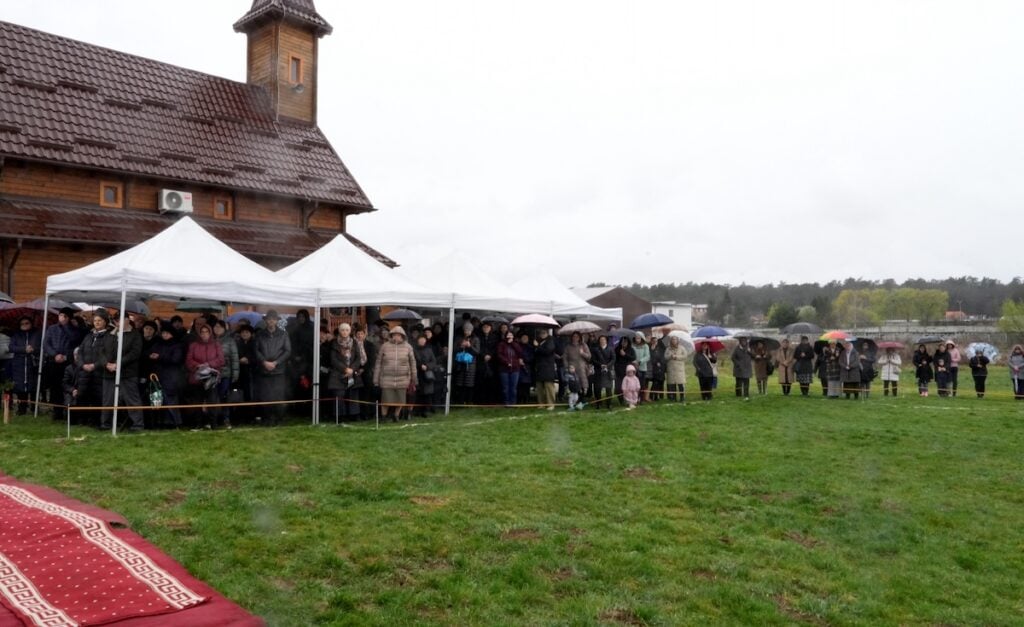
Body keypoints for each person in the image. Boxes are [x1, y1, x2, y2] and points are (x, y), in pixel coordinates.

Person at [98, 315, 143, 431]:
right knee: (108, 399)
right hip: (109, 372)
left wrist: (118, 363)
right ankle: (105, 423)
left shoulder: (135, 335)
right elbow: (101, 351)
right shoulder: (109, 334)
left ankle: (137, 424)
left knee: (131, 399)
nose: (117, 322)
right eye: (115, 320)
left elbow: (135, 353)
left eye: (119, 320)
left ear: (127, 320)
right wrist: (106, 364)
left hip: (127, 373)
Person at [43, 307, 82, 421]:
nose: (62, 318)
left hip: (68, 363)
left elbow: (75, 341)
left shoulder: (74, 329)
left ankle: (69, 411)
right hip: (54, 362)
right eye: (60, 315)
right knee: (55, 388)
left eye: (65, 316)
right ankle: (57, 412)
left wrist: (65, 357)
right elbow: (46, 344)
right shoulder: (52, 328)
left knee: (67, 386)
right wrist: (54, 355)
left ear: (69, 318)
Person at [254, 310, 291, 426]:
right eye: (269, 319)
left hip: (279, 370)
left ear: (276, 321)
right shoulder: (260, 334)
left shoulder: (283, 334)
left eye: (273, 319)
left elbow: (288, 351)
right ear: (265, 321)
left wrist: (276, 362)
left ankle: (279, 418)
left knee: (279, 395)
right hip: (264, 370)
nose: (271, 321)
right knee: (266, 395)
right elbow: (256, 350)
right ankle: (267, 418)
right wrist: (264, 362)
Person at [186, 322, 226, 429]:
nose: (204, 334)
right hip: (197, 378)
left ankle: (213, 424)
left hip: (211, 378)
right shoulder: (193, 345)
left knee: (212, 401)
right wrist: (198, 366)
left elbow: (221, 360)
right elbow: (189, 360)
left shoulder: (216, 344)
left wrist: (208, 364)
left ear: (210, 333)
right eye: (202, 332)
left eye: (206, 332)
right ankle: (198, 424)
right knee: (197, 401)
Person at [373, 326, 416, 421]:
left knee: (400, 400)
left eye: (399, 335)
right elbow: (378, 363)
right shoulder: (384, 346)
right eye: (394, 335)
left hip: (403, 378)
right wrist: (376, 380)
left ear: (403, 336)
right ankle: (383, 416)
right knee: (385, 400)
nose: (396, 337)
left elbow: (413, 363)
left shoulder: (408, 347)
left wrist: (414, 378)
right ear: (391, 335)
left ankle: (396, 415)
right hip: (386, 378)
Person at [327, 323, 367, 421]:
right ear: (339, 331)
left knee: (353, 394)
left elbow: (358, 358)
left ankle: (354, 415)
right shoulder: (334, 343)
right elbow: (333, 359)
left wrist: (351, 369)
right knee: (339, 394)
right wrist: (345, 369)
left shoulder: (354, 342)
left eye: (347, 330)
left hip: (352, 373)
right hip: (338, 373)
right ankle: (340, 416)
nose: (345, 332)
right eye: (342, 330)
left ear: (350, 331)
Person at [150, 322, 185, 429]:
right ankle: (160, 422)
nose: (164, 335)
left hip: (171, 377)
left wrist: (159, 357)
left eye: (167, 333)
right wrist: (151, 356)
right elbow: (148, 353)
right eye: (163, 333)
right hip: (158, 376)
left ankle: (176, 423)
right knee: (157, 400)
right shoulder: (158, 344)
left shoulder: (177, 345)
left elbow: (176, 359)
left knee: (171, 400)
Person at [8, 316, 41, 415]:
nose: (24, 325)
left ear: (31, 323)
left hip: (33, 363)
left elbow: (41, 347)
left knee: (34, 386)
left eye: (27, 323)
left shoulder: (37, 334)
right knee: (21, 387)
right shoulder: (16, 335)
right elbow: (11, 347)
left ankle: (34, 408)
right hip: (19, 364)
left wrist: (33, 349)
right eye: (22, 324)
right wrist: (23, 349)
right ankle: (22, 408)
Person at [213, 320, 239, 427]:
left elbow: (235, 358)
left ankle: (226, 418)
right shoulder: (210, 340)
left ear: (224, 328)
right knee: (212, 397)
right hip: (212, 374)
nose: (217, 328)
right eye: (216, 326)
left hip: (226, 373)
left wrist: (235, 374)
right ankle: (213, 419)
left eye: (220, 327)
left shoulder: (230, 341)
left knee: (224, 396)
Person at [452, 323, 480, 406]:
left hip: (471, 364)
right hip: (460, 363)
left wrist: (469, 346)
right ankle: (460, 401)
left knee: (469, 383)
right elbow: (454, 349)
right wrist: (461, 346)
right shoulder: (459, 338)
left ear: (471, 330)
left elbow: (477, 352)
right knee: (460, 383)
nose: (467, 332)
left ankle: (469, 401)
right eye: (465, 330)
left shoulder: (475, 339)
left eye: (468, 330)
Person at [235, 324, 257, 424]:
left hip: (252, 373)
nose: (244, 334)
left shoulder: (255, 343)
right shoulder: (237, 343)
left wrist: (248, 359)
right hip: (240, 373)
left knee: (251, 395)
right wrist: (239, 360)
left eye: (247, 332)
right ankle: (240, 417)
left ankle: (251, 417)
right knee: (240, 395)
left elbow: (257, 356)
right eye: (243, 332)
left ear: (251, 334)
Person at [495, 330, 523, 407]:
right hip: (504, 369)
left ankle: (513, 402)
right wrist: (507, 362)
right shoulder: (501, 344)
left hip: (515, 369)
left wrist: (512, 343)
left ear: (513, 336)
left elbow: (520, 352)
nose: (509, 336)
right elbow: (499, 355)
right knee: (505, 387)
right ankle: (506, 402)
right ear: (505, 336)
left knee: (513, 387)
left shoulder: (516, 344)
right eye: (508, 335)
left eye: (511, 335)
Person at [412, 333, 438, 417]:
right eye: (420, 339)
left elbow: (434, 362)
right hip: (417, 373)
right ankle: (417, 410)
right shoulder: (413, 350)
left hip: (427, 375)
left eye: (424, 339)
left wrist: (427, 366)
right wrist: (420, 366)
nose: (422, 341)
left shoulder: (429, 350)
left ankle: (426, 410)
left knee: (427, 393)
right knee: (417, 393)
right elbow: (412, 361)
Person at [562, 332, 591, 403]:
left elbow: (589, 357)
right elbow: (565, 358)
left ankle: (582, 399)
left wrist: (582, 353)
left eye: (577, 336)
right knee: (573, 383)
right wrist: (567, 367)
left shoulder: (584, 345)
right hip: (572, 367)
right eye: (574, 336)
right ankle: (573, 400)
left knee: (582, 383)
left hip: (581, 367)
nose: (575, 338)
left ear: (579, 337)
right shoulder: (568, 346)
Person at [533, 328, 558, 410]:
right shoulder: (538, 340)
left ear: (547, 333)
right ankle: (541, 403)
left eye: (544, 333)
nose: (542, 334)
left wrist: (538, 346)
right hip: (539, 367)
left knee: (549, 386)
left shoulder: (550, 341)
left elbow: (548, 351)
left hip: (548, 367)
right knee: (539, 386)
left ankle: (551, 404)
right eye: (541, 333)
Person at [590, 335, 614, 409]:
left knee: (608, 388)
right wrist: (600, 365)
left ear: (606, 340)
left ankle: (609, 403)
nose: (602, 341)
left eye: (604, 339)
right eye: (601, 339)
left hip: (608, 370)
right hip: (598, 370)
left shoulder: (610, 349)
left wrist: (607, 365)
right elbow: (593, 360)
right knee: (597, 388)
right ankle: (598, 403)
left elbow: (613, 359)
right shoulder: (596, 349)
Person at [663, 335, 687, 402]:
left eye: (675, 339)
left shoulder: (682, 348)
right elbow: (665, 357)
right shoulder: (668, 349)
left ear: (677, 340)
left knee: (680, 384)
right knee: (672, 385)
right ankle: (673, 398)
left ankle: (682, 397)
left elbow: (685, 356)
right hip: (671, 369)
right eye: (672, 339)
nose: (674, 341)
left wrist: (676, 357)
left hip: (679, 369)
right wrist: (670, 356)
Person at [613, 337, 636, 405]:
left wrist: (625, 355)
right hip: (618, 370)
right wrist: (619, 353)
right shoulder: (617, 349)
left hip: (628, 371)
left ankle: (628, 400)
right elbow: (614, 359)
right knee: (618, 387)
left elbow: (633, 357)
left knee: (628, 386)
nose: (624, 343)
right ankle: (621, 400)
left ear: (628, 342)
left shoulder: (631, 349)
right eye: (623, 342)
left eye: (626, 342)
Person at [647, 335, 666, 401]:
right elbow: (650, 358)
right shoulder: (649, 348)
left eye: (656, 341)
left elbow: (663, 356)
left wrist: (661, 362)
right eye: (654, 341)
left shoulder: (660, 348)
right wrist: (656, 362)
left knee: (661, 382)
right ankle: (653, 396)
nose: (655, 342)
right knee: (655, 383)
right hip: (654, 368)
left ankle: (660, 396)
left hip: (661, 367)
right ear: (651, 342)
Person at [632, 334, 650, 401]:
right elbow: (631, 354)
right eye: (636, 338)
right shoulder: (632, 346)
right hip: (634, 367)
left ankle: (641, 398)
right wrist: (634, 361)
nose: (637, 340)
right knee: (634, 383)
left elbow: (647, 356)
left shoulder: (645, 346)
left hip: (642, 367)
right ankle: (634, 397)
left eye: (639, 338)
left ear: (642, 338)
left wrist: (640, 361)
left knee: (641, 383)